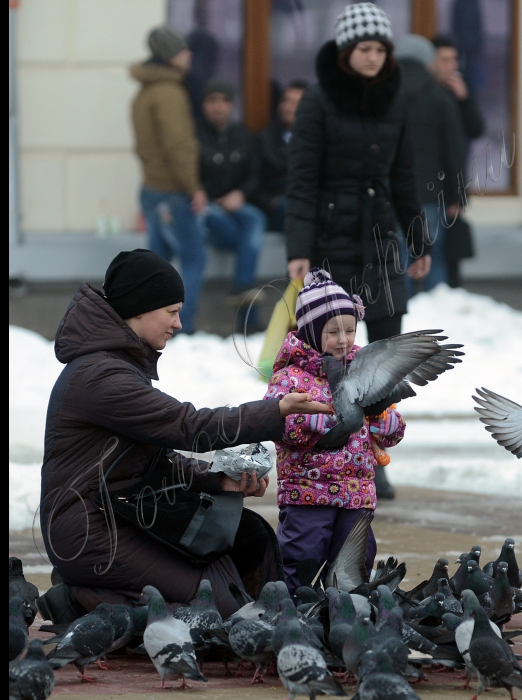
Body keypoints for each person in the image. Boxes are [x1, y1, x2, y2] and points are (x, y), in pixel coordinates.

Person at [36, 249, 332, 624]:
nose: (178, 323)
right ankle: (81, 600)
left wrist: (217, 480)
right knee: (215, 605)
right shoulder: (102, 378)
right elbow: (187, 426)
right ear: (140, 309)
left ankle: (97, 594)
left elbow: (153, 458)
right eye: (171, 311)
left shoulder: (116, 365)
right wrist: (275, 412)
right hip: (90, 531)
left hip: (117, 514)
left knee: (243, 539)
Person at [284, 3, 430, 499]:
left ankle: (377, 456)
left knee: (387, 358)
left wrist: (417, 240)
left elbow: (405, 175)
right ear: (347, 52)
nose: (373, 57)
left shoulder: (396, 97)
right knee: (333, 357)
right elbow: (301, 180)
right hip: (329, 246)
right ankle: (321, 443)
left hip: (382, 243)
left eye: (380, 49)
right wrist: (299, 249)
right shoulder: (319, 100)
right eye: (364, 49)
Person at [263, 268, 406, 595]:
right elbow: (275, 420)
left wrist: (383, 421)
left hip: (356, 493)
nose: (343, 339)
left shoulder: (366, 373)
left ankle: (345, 611)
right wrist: (323, 420)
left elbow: (394, 432)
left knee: (355, 557)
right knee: (303, 554)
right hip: (308, 491)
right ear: (312, 331)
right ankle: (296, 609)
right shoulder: (291, 376)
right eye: (333, 331)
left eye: (350, 330)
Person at [130, 25, 208, 336]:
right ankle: (182, 326)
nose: (189, 54)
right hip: (174, 193)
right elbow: (179, 147)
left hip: (151, 188)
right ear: (170, 56)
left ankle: (151, 327)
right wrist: (194, 188)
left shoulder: (145, 92)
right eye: (183, 49)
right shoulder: (169, 93)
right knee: (193, 258)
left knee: (158, 267)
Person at [394, 34, 466, 297]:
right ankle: (438, 314)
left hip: (393, 192)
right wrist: (458, 195)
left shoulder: (385, 96)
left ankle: (402, 310)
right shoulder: (440, 98)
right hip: (432, 192)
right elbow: (455, 151)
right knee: (433, 255)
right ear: (428, 62)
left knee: (398, 257)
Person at [196, 78, 268, 331]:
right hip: (207, 207)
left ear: (232, 105)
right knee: (242, 240)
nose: (218, 107)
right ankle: (247, 312)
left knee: (256, 219)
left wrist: (240, 193)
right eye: (212, 100)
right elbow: (189, 175)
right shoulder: (195, 136)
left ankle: (242, 287)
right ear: (203, 104)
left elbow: (255, 175)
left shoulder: (242, 135)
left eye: (224, 101)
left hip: (236, 204)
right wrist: (208, 195)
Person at [430, 34, 486, 288]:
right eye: (445, 60)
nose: (451, 66)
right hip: (428, 184)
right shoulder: (423, 95)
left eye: (454, 59)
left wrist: (464, 99)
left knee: (449, 252)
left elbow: (475, 129)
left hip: (451, 184)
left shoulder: (456, 93)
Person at [253, 79, 310, 234]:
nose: (289, 108)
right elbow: (253, 183)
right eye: (286, 101)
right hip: (278, 210)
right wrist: (272, 201)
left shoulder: (320, 141)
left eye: (296, 103)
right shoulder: (264, 140)